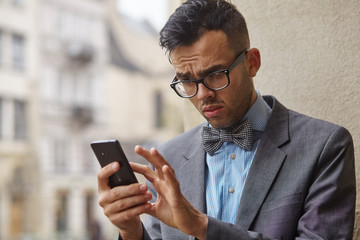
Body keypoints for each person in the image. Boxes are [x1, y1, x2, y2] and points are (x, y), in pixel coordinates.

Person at [97, 0, 356, 239]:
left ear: (252, 63)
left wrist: (202, 226)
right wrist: (130, 229)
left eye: (216, 74)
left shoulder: (325, 146)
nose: (202, 94)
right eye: (187, 80)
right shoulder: (168, 159)